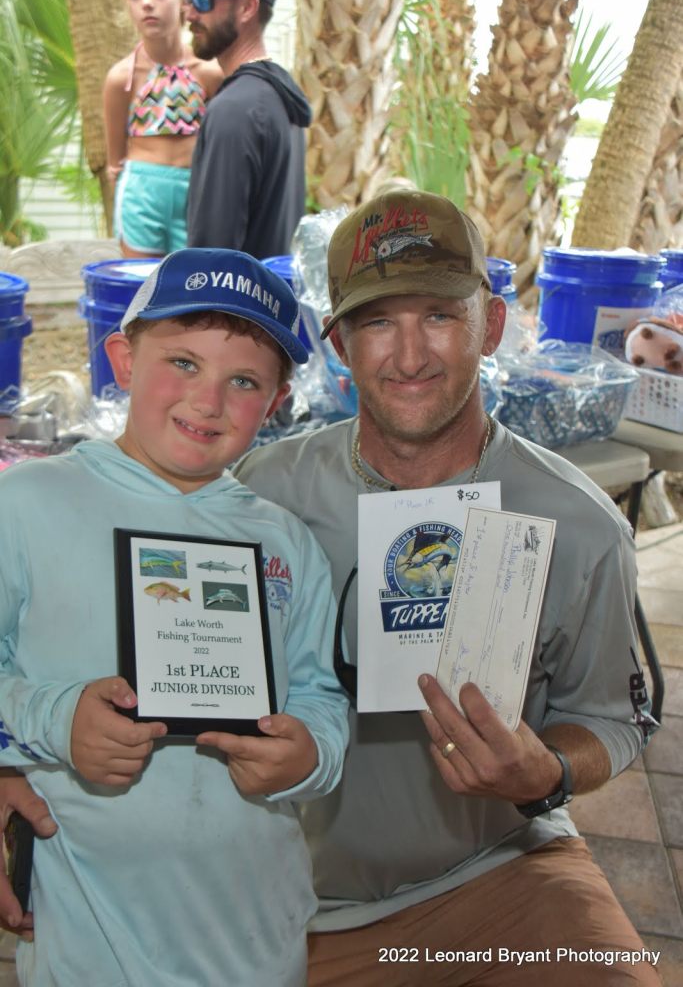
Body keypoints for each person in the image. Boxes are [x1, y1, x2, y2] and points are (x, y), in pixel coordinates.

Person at [0, 192, 660, 985]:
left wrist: (545, 772)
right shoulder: (260, 491)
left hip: (499, 874)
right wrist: (13, 760)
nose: (408, 356)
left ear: (489, 324)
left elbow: (615, 717)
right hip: (300, 905)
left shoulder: (577, 523)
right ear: (340, 343)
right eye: (378, 322)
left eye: (438, 316)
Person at [0, 248, 348, 985]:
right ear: (123, 359)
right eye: (183, 363)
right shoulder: (26, 505)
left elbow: (322, 697)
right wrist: (56, 719)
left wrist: (310, 755)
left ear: (277, 401)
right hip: (92, 943)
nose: (208, 400)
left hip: (257, 942)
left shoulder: (285, 542)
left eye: (244, 381)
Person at [160, 0, 311, 256]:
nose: (190, 14)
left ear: (247, 7)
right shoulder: (279, 95)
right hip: (271, 284)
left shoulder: (235, 109)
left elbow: (212, 256)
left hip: (240, 288)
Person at [103, 0, 222, 257]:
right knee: (141, 281)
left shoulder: (210, 73)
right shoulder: (121, 78)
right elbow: (115, 163)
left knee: (194, 279)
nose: (146, 3)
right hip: (141, 197)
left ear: (184, 0)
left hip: (196, 195)